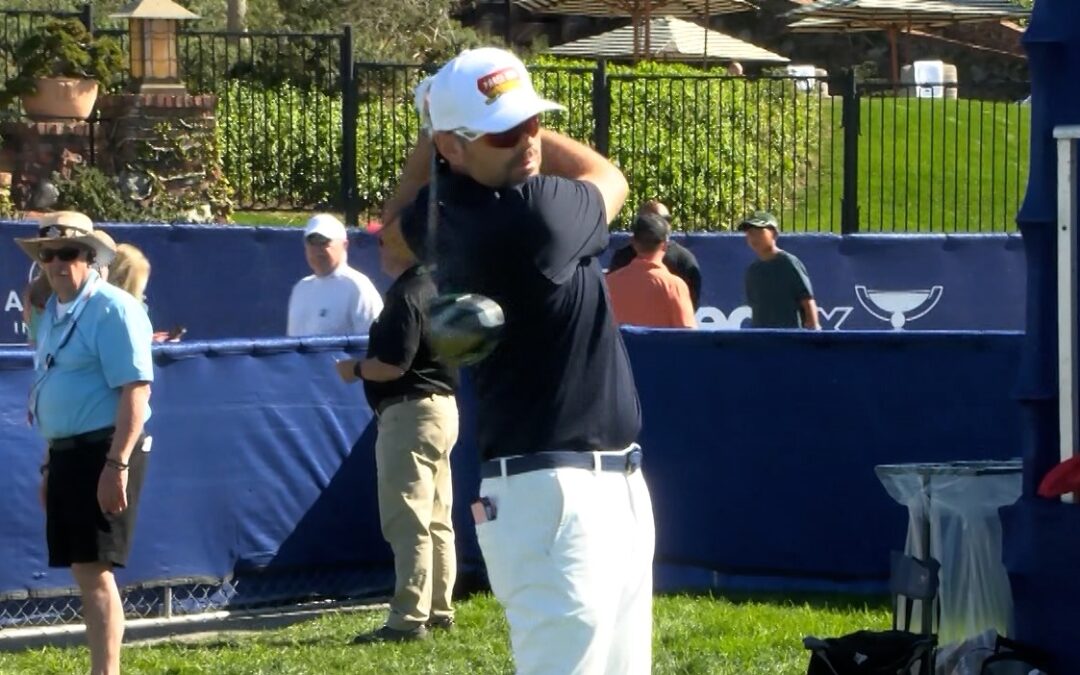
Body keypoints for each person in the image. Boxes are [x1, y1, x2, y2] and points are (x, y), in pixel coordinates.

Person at [391, 47, 655, 674]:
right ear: (454, 147)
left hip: (590, 485)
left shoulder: (445, 209)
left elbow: (393, 230)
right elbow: (610, 175)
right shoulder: (538, 215)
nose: (529, 139)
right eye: (506, 130)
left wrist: (434, 132)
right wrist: (441, 128)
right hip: (555, 495)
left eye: (535, 121)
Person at [15, 211, 154, 675]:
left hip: (106, 449)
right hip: (68, 453)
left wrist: (116, 466)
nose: (57, 263)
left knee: (95, 571)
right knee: (83, 567)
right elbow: (52, 383)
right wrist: (50, 465)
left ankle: (105, 671)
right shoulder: (53, 311)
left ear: (91, 258)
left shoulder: (114, 308)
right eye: (48, 255)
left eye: (68, 253)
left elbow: (136, 389)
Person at [335, 219, 460, 644]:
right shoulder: (432, 287)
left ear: (406, 247)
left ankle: (408, 619)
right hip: (441, 409)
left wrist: (353, 369)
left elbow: (393, 364)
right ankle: (440, 608)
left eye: (386, 240)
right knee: (437, 516)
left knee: (407, 519)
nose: (380, 248)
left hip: (411, 413)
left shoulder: (406, 295)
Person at [286, 213, 383, 337]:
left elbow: (375, 343)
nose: (317, 249)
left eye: (323, 241)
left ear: (344, 245)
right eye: (311, 241)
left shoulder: (357, 287)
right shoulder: (301, 289)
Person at [606, 212, 697, 328]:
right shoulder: (674, 286)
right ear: (664, 245)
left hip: (621, 346)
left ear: (633, 243)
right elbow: (688, 335)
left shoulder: (609, 283)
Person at [738, 210, 821, 329]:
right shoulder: (752, 270)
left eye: (759, 231)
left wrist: (814, 333)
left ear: (774, 234)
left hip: (789, 339)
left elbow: (807, 301)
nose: (753, 237)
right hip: (762, 340)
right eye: (750, 233)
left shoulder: (788, 263)